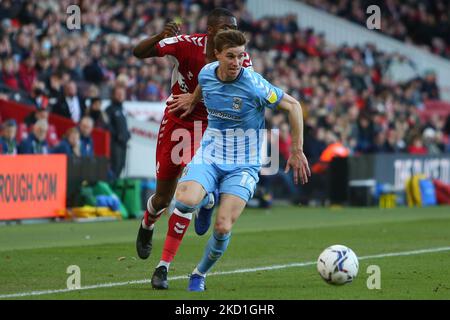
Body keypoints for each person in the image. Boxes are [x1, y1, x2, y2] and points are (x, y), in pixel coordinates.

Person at [169, 30, 310, 291]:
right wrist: (193, 98)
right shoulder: (207, 73)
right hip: (210, 154)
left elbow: (293, 106)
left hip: (244, 163)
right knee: (183, 202)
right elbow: (204, 84)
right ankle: (207, 200)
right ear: (217, 56)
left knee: (222, 227)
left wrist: (297, 150)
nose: (237, 62)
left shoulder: (254, 84)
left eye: (241, 56)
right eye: (231, 56)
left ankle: (199, 273)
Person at [132, 8, 253, 290]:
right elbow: (139, 53)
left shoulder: (240, 59)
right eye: (224, 28)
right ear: (210, 32)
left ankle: (163, 267)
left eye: (233, 28)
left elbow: (245, 94)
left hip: (211, 128)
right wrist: (158, 37)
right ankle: (149, 222)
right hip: (177, 123)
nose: (230, 35)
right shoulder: (187, 44)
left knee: (186, 197)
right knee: (163, 198)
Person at [105, 85, 130, 178]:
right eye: (118, 94)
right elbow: (107, 126)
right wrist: (117, 135)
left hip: (123, 144)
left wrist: (127, 134)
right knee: (114, 167)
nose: (120, 96)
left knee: (121, 166)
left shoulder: (122, 109)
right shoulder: (109, 109)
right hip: (114, 144)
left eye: (122, 94)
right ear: (113, 95)